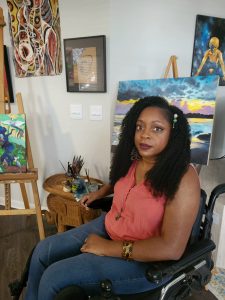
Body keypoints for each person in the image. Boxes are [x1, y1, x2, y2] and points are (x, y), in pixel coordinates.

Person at [24, 96, 200, 300]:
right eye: (139, 127)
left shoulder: (183, 177)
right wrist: (100, 192)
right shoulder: (135, 159)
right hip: (110, 226)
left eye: (157, 129)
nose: (144, 135)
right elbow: (120, 181)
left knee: (53, 277)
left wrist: (108, 248)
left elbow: (171, 248)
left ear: (173, 134)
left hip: (145, 261)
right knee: (43, 251)